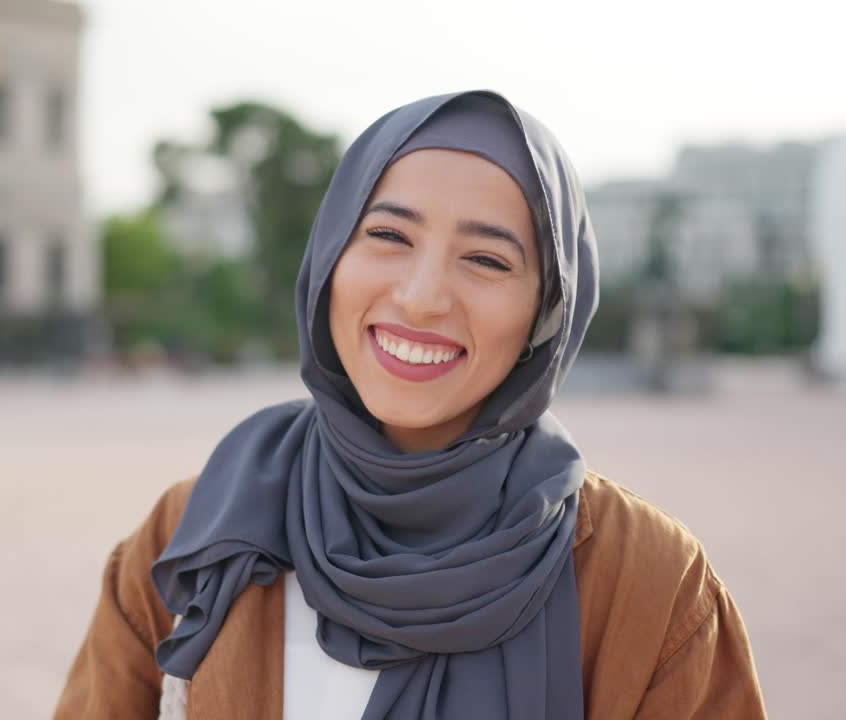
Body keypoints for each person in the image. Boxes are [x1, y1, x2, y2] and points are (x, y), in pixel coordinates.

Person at [54, 90, 766, 720]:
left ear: (546, 315)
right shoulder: (198, 532)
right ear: (330, 258)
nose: (421, 297)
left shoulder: (648, 580)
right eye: (389, 236)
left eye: (487, 260)